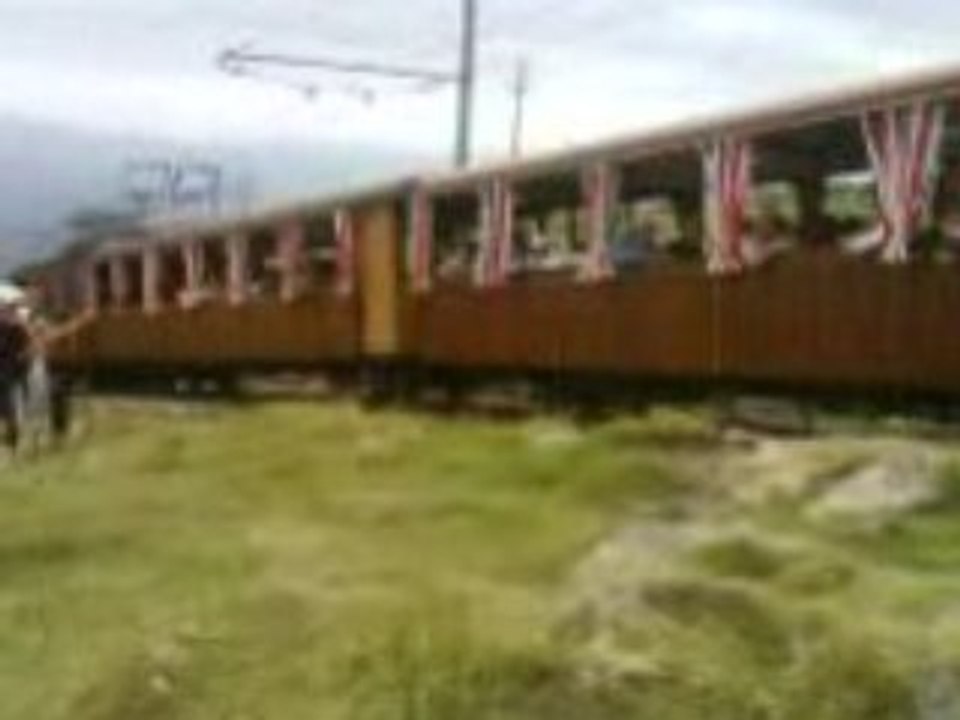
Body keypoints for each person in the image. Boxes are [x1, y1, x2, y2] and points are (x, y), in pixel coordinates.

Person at [0, 299, 30, 452]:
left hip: (11, 372)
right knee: (6, 407)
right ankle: (10, 437)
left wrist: (20, 362)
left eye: (4, 311)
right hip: (6, 372)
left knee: (10, 406)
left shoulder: (17, 328)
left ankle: (13, 439)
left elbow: (25, 350)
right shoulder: (10, 328)